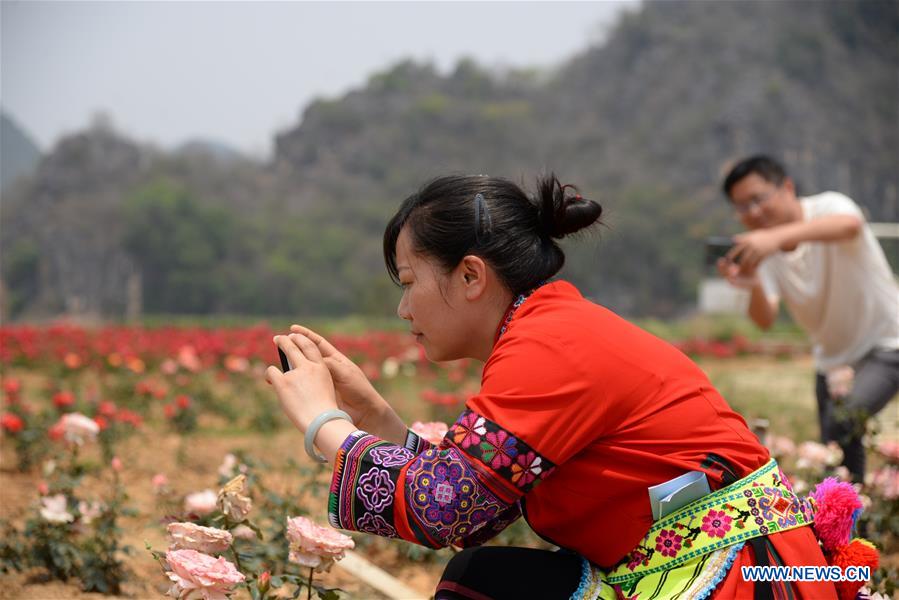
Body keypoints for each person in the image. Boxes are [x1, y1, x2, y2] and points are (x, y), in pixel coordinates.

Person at [267, 174, 841, 599]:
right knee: (482, 579)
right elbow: (475, 501)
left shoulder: (549, 347)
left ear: (471, 275)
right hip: (727, 567)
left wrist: (325, 425)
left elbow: (445, 507)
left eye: (411, 281)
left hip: (744, 578)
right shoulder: (546, 330)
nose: (402, 308)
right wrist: (372, 414)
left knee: (482, 584)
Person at [718, 155, 899, 484]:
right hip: (832, 359)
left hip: (887, 342)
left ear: (787, 187)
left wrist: (775, 238)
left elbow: (850, 226)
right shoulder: (763, 250)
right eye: (742, 207)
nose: (753, 213)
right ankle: (855, 510)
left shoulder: (828, 206)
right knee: (835, 453)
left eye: (758, 199)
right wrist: (752, 282)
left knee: (843, 421)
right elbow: (764, 319)